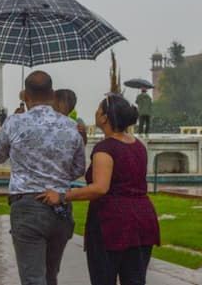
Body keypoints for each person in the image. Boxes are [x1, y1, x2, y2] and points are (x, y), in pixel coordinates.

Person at [38, 94, 160, 285]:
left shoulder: (106, 149)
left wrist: (62, 196)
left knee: (103, 278)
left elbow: (100, 188)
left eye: (98, 109)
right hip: (142, 219)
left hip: (112, 222)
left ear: (104, 118)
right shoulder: (138, 145)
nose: (95, 112)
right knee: (135, 279)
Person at [0, 71, 86, 285]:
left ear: (25, 95)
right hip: (60, 207)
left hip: (27, 207)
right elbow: (79, 168)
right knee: (50, 276)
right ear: (52, 94)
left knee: (34, 279)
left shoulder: (14, 123)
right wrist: (57, 176)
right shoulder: (71, 127)